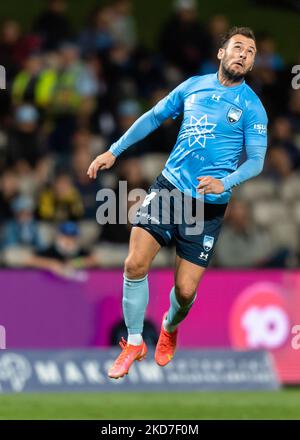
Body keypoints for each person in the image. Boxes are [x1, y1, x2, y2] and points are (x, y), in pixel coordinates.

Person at [87, 27, 268, 379]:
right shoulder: (193, 86)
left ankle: (169, 326)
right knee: (135, 263)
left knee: (185, 291)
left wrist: (225, 182)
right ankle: (135, 341)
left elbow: (256, 161)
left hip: (207, 205)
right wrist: (113, 151)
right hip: (169, 188)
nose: (244, 54)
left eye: (251, 51)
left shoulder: (252, 108)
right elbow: (154, 117)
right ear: (221, 52)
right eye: (238, 47)